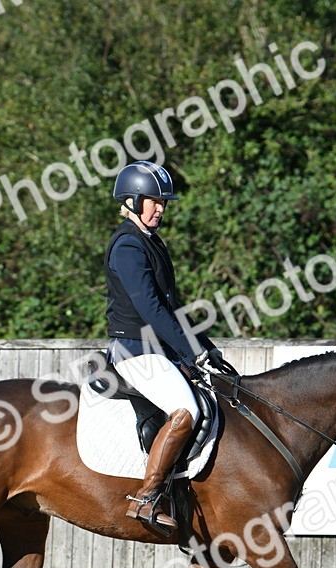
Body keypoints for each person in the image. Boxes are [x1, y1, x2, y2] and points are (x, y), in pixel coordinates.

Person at [103, 160, 236, 531]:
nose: (160, 208)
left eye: (163, 202)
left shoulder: (152, 242)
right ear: (131, 200)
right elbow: (151, 309)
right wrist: (191, 351)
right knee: (186, 411)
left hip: (158, 350)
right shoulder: (128, 245)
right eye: (152, 200)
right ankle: (146, 498)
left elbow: (173, 306)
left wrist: (207, 347)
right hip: (135, 350)